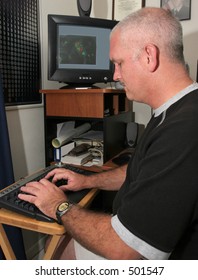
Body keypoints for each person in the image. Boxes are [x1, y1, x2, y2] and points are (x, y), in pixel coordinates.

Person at [19, 7, 198, 260]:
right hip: (128, 234)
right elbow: (143, 170)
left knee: (57, 242)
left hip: (136, 252)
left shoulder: (184, 129)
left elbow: (124, 251)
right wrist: (87, 181)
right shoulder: (175, 110)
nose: (114, 75)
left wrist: (57, 205)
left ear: (149, 56)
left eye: (118, 63)